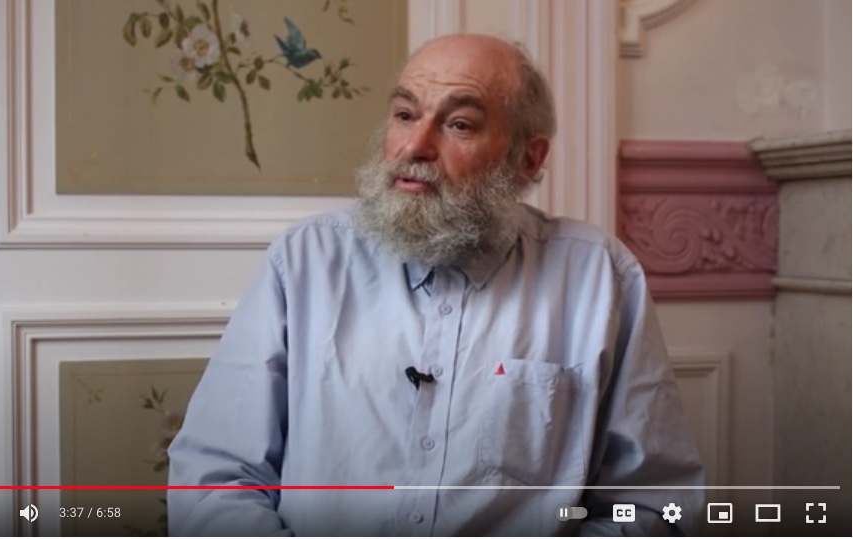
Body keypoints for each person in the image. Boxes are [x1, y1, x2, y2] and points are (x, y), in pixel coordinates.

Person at [167, 33, 704, 536]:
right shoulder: (305, 262)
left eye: (459, 125)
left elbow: (656, 503)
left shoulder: (598, 279)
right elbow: (215, 478)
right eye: (405, 115)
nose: (414, 146)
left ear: (528, 158)